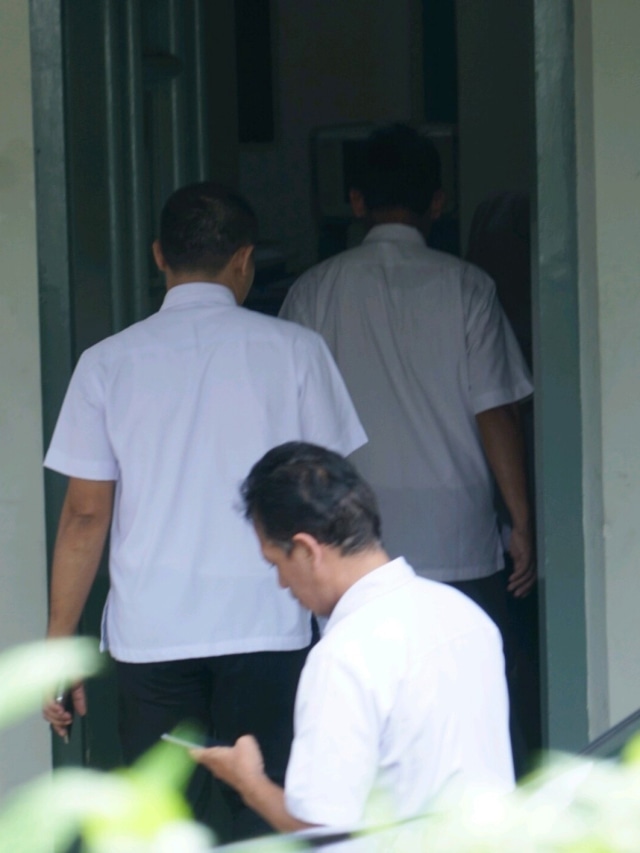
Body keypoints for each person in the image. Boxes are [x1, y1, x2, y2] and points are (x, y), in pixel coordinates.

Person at [42, 182, 367, 841]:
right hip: (269, 622)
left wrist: (59, 637)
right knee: (271, 812)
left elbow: (84, 515)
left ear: (159, 256)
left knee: (165, 821)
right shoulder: (297, 351)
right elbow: (332, 499)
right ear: (244, 259)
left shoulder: (106, 364)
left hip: (153, 634)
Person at [194, 442, 515, 833]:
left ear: (307, 550)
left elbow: (323, 833)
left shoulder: (344, 653)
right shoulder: (466, 616)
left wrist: (250, 783)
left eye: (277, 563)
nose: (281, 583)